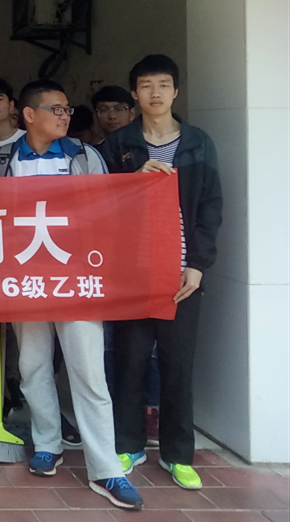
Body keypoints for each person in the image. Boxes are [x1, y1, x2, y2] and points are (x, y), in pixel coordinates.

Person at [0, 80, 144, 511]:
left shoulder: (83, 156)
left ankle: (106, 469)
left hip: (76, 279)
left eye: (66, 110)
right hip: (25, 279)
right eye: (56, 110)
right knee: (32, 366)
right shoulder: (3, 159)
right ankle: (48, 444)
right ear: (29, 115)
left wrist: (139, 184)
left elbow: (110, 209)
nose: (65, 116)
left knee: (89, 373)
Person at [102, 55, 222, 492]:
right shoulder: (119, 144)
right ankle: (128, 444)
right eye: (146, 85)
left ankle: (178, 454)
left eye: (164, 85)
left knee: (177, 366)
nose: (155, 93)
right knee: (129, 362)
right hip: (133, 271)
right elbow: (101, 203)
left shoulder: (198, 143)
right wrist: (133, 179)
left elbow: (210, 208)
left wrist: (198, 266)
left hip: (181, 275)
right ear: (135, 94)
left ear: (176, 92)